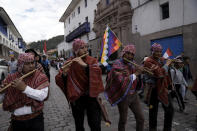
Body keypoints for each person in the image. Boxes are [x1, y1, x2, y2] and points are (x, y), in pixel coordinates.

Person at [55, 39, 104, 131]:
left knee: (95, 125)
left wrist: (85, 65)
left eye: (86, 47)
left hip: (91, 96)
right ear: (76, 50)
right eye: (82, 48)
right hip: (77, 98)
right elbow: (58, 79)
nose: (85, 50)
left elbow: (98, 72)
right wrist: (64, 74)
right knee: (79, 125)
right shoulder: (69, 62)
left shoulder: (92, 60)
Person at [0, 53, 49, 131]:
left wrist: (25, 88)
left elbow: (43, 96)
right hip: (17, 121)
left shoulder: (40, 76)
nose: (31, 66)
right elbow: (2, 99)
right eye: (27, 64)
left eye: (32, 63)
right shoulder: (10, 78)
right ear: (20, 65)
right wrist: (3, 92)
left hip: (36, 119)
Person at [105, 44, 145, 131]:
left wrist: (141, 72)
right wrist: (137, 73)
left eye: (132, 54)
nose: (130, 56)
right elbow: (121, 80)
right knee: (123, 120)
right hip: (123, 95)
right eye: (128, 53)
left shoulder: (133, 64)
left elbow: (136, 79)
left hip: (133, 95)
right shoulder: (117, 64)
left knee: (141, 119)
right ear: (123, 53)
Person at [144, 43, 174, 131]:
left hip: (162, 88)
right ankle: (152, 129)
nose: (159, 53)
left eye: (160, 52)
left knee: (170, 110)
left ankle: (167, 129)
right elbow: (159, 73)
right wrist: (167, 64)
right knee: (153, 111)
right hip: (153, 90)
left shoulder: (160, 60)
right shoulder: (148, 61)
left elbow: (165, 72)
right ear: (152, 51)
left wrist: (173, 64)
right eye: (156, 52)